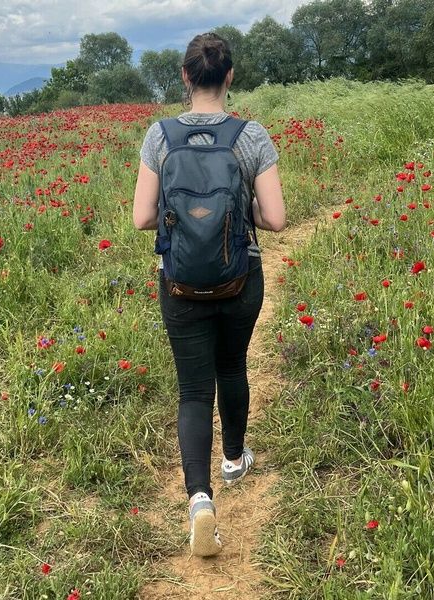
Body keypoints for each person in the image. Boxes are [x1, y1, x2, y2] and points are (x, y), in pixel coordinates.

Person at [132, 32, 286, 557]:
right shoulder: (251, 136)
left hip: (179, 282)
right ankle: (234, 459)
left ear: (184, 77)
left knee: (192, 391)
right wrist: (237, 214)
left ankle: (200, 499)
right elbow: (276, 218)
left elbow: (141, 218)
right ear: (229, 77)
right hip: (240, 276)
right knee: (232, 367)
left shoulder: (160, 136)